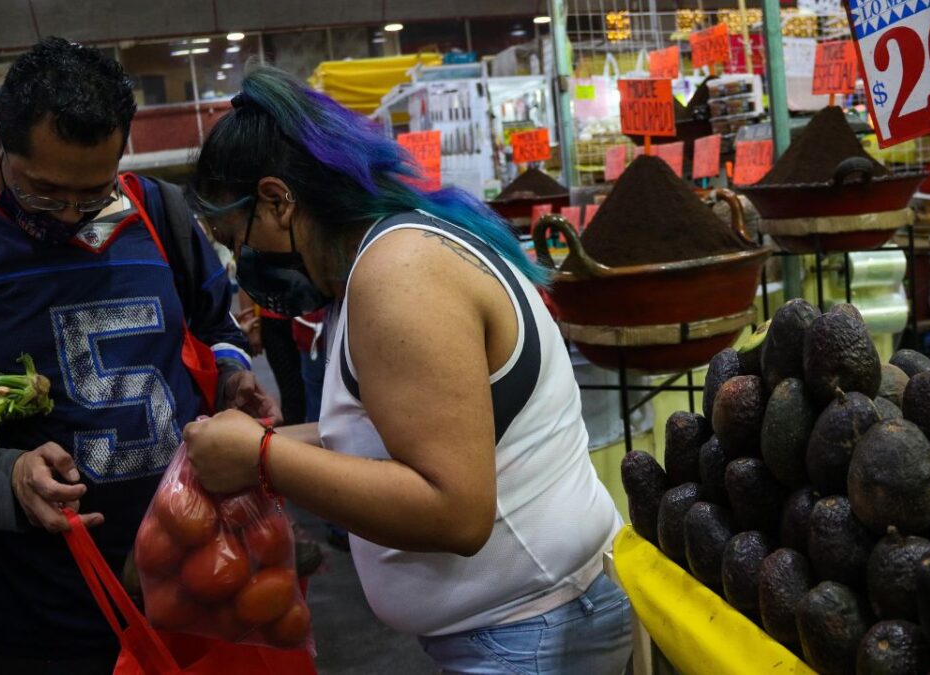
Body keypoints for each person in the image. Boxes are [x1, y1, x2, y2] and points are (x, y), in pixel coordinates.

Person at [182, 65, 632, 674]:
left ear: (278, 199)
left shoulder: (400, 276)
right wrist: (256, 444)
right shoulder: (378, 263)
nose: (243, 262)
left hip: (533, 634)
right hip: (517, 630)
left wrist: (264, 459)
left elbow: (455, 511)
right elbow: (401, 429)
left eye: (235, 238)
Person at [0, 38, 277, 673]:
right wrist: (3, 479)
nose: (72, 216)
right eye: (45, 194)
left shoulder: (160, 212)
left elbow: (218, 329)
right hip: (30, 619)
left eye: (94, 193)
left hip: (191, 585)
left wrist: (232, 377)